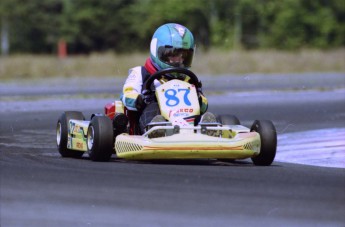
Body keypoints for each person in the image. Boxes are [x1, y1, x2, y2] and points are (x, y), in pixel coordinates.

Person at [120, 23, 216, 135]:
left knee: (197, 112)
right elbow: (126, 94)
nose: (178, 59)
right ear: (156, 50)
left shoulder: (188, 78)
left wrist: (199, 100)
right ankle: (156, 130)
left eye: (183, 55)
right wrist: (139, 100)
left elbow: (204, 102)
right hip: (151, 114)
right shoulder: (141, 72)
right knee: (154, 108)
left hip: (186, 117)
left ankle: (205, 127)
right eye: (172, 54)